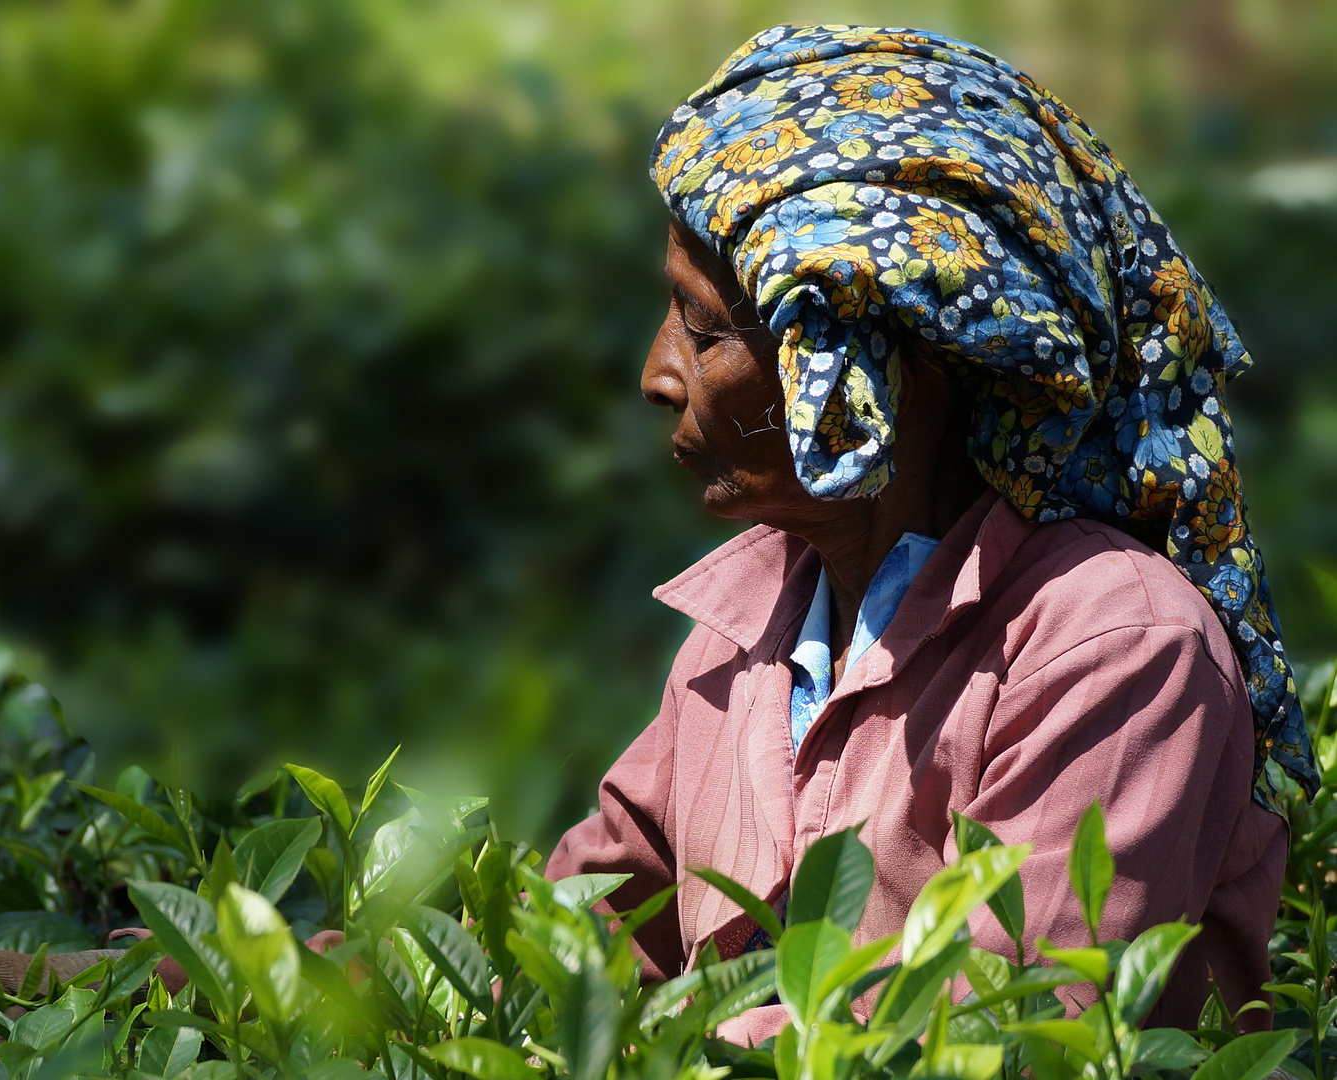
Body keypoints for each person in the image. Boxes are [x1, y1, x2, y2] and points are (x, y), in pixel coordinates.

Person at [545, 24, 1318, 1039]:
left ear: (878, 372)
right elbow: (583, 924)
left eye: (703, 329)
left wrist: (676, 1043)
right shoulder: (743, 629)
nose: (658, 375)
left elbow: (1002, 1033)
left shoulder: (1116, 647)